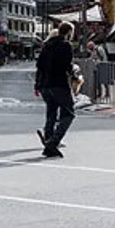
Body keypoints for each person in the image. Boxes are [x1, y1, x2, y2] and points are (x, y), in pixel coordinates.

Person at [35, 22, 76, 158]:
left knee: (51, 112)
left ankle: (49, 138)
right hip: (59, 83)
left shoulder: (46, 46)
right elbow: (66, 65)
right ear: (69, 32)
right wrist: (74, 73)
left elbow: (39, 65)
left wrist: (38, 84)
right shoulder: (65, 45)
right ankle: (52, 143)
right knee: (69, 113)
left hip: (46, 85)